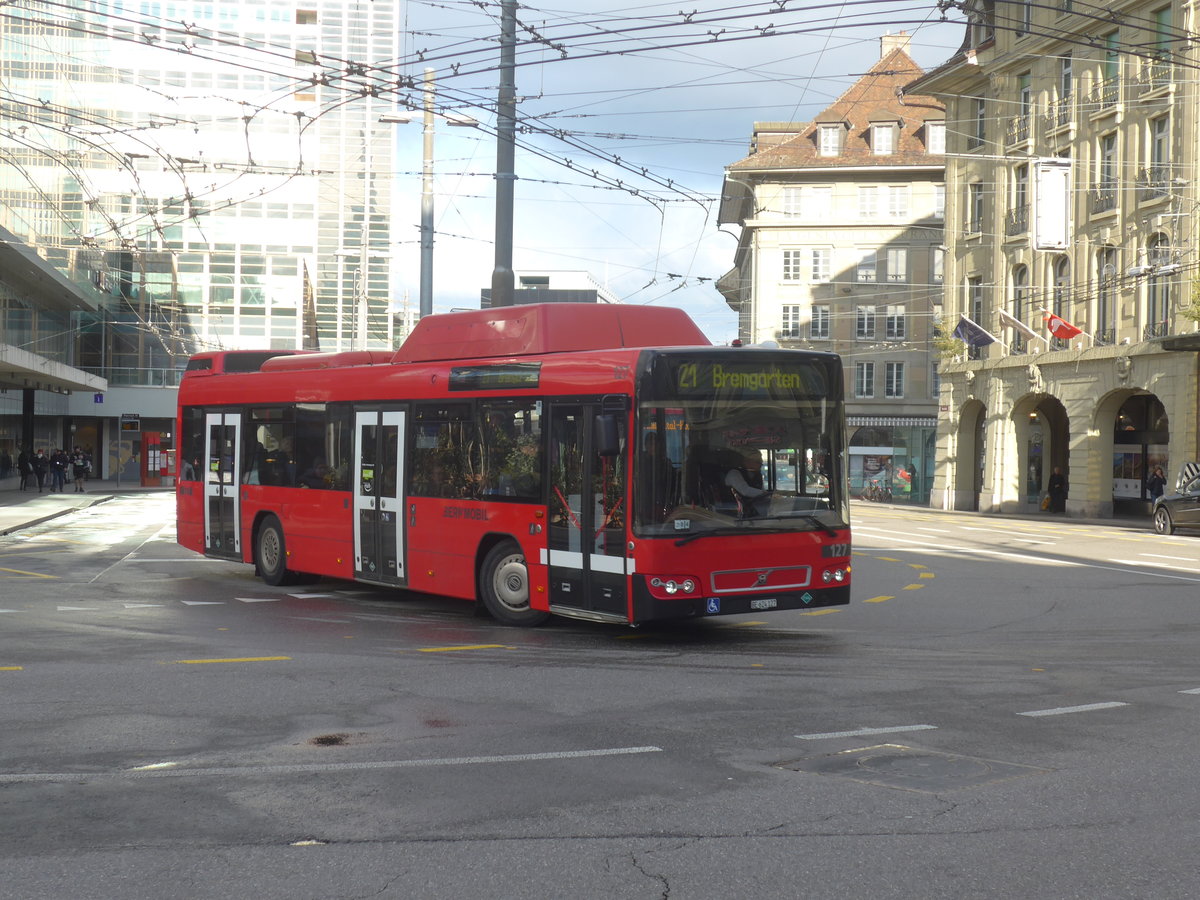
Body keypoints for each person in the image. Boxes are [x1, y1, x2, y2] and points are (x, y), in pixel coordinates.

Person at [724, 448, 771, 517]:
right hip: (733, 513)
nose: (761, 464)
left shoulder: (757, 475)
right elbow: (745, 491)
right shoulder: (733, 474)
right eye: (757, 461)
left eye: (761, 461)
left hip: (754, 511)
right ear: (746, 461)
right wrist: (766, 493)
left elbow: (761, 492)